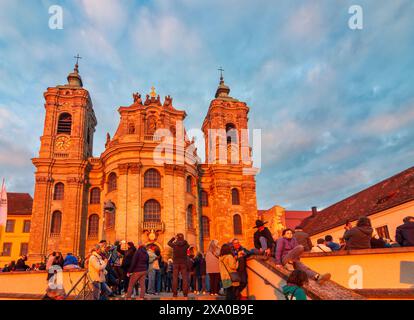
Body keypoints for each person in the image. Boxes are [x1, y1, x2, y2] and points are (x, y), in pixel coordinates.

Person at [168, 233, 190, 297]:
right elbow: (188, 245)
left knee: (175, 278)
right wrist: (184, 241)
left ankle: (175, 293)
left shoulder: (174, 244)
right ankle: (185, 293)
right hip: (183, 263)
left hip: (175, 263)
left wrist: (173, 238)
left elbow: (168, 243)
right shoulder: (186, 245)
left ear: (177, 238)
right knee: (185, 278)